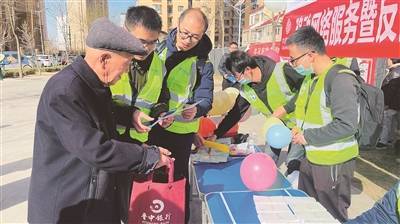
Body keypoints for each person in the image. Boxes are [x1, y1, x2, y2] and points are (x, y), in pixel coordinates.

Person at [27, 18, 172, 223]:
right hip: (67, 205)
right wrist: (146, 157)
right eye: (125, 65)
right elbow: (96, 148)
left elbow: (104, 122)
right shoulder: (65, 91)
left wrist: (130, 115)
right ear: (104, 59)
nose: (123, 74)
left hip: (93, 199)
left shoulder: (93, 85)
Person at [283, 26, 359, 222]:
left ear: (311, 54)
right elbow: (309, 113)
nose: (292, 64)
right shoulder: (310, 79)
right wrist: (297, 128)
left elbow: (346, 125)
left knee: (331, 215)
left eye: (294, 59)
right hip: (312, 157)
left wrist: (307, 136)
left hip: (333, 162)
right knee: (309, 211)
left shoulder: (340, 78)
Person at [147, 8, 214, 222]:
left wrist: (197, 109)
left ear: (203, 35)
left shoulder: (203, 62)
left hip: (181, 133)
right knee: (151, 178)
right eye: (185, 33)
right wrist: (158, 111)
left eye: (195, 36)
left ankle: (176, 218)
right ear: (177, 24)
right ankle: (150, 216)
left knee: (177, 181)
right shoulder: (157, 50)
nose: (187, 40)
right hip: (154, 126)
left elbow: (205, 97)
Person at [210, 50, 304, 175]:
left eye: (237, 76)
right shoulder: (246, 88)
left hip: (299, 125)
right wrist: (217, 134)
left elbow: (307, 89)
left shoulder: (281, 71)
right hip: (275, 127)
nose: (237, 81)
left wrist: (287, 108)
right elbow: (236, 113)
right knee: (267, 159)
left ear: (248, 69)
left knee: (293, 162)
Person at [110, 6, 172, 146]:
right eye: (141, 41)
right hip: (109, 140)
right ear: (125, 32)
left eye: (153, 42)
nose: (146, 48)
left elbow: (162, 98)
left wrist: (161, 113)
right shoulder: (109, 59)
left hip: (139, 143)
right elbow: (96, 103)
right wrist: (129, 114)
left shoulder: (159, 65)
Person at [376, 58, 400, 149]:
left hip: (393, 102)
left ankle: (383, 141)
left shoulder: (395, 73)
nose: (386, 61)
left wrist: (387, 103)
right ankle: (390, 139)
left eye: (388, 59)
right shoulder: (394, 71)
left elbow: (391, 90)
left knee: (386, 119)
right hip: (395, 102)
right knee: (393, 120)